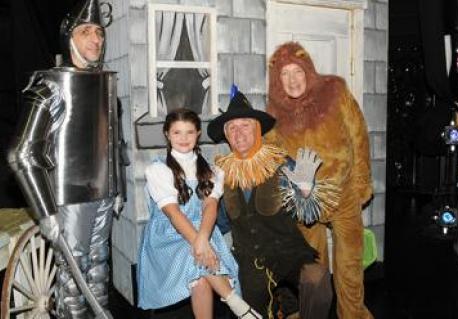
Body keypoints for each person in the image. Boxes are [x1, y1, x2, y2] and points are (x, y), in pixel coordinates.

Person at [8, 1, 125, 318]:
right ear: (69, 38)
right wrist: (45, 212)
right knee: (73, 284)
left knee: (99, 271)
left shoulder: (106, 84)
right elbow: (21, 154)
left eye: (99, 33)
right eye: (86, 31)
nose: (96, 40)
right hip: (69, 198)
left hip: (104, 194)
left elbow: (116, 143)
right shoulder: (50, 87)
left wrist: (120, 190)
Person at [266, 42, 373, 318]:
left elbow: (358, 136)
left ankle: (353, 313)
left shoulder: (335, 91)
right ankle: (312, 312)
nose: (292, 80)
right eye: (284, 75)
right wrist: (289, 193)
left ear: (308, 70)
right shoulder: (274, 113)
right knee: (312, 269)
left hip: (344, 193)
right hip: (305, 202)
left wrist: (362, 182)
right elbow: (273, 159)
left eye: (297, 71)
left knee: (349, 265)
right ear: (277, 81)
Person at [207, 90, 333, 319]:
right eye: (232, 128)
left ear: (257, 129)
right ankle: (281, 306)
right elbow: (221, 225)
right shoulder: (221, 174)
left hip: (288, 254)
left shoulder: (281, 164)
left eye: (245, 125)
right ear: (226, 135)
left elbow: (310, 216)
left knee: (317, 279)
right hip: (248, 263)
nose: (239, 133)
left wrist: (306, 191)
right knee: (251, 313)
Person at [137, 108, 262, 319]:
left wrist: (203, 239)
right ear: (167, 134)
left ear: (198, 134)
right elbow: (174, 214)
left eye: (189, 132)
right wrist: (199, 243)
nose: (184, 138)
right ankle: (239, 306)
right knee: (195, 257)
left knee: (201, 275)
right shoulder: (158, 170)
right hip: (168, 236)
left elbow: (210, 207)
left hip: (203, 229)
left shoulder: (212, 171)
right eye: (177, 132)